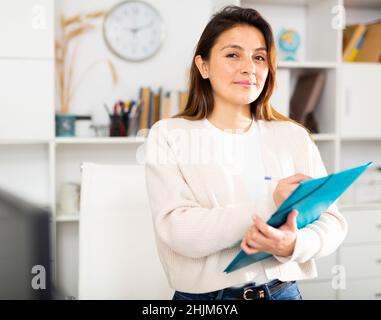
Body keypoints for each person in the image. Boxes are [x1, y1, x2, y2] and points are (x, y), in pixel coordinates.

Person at [144, 6, 347, 300]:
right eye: (232, 54)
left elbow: (333, 222)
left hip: (282, 292)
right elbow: (177, 231)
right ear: (203, 66)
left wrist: (293, 244)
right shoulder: (169, 135)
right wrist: (269, 207)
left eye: (259, 57)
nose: (249, 67)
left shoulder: (293, 136)